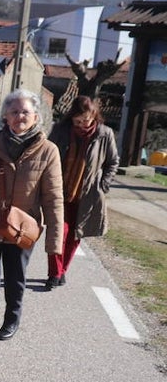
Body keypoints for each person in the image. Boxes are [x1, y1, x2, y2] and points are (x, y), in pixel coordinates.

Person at [0, 90, 64, 357]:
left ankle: (11, 319)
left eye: (25, 112)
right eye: (14, 112)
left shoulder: (48, 151)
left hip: (23, 229)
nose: (20, 116)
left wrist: (55, 243)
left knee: (15, 277)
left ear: (36, 117)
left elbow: (54, 197)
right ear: (6, 116)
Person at [45, 95, 119, 288]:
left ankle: (62, 271)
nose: (82, 124)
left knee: (75, 236)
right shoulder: (60, 130)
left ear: (94, 115)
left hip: (87, 195)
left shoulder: (105, 134)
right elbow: (47, 154)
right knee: (58, 233)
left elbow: (113, 162)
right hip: (59, 192)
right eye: (78, 120)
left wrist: (104, 184)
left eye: (86, 120)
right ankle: (54, 274)